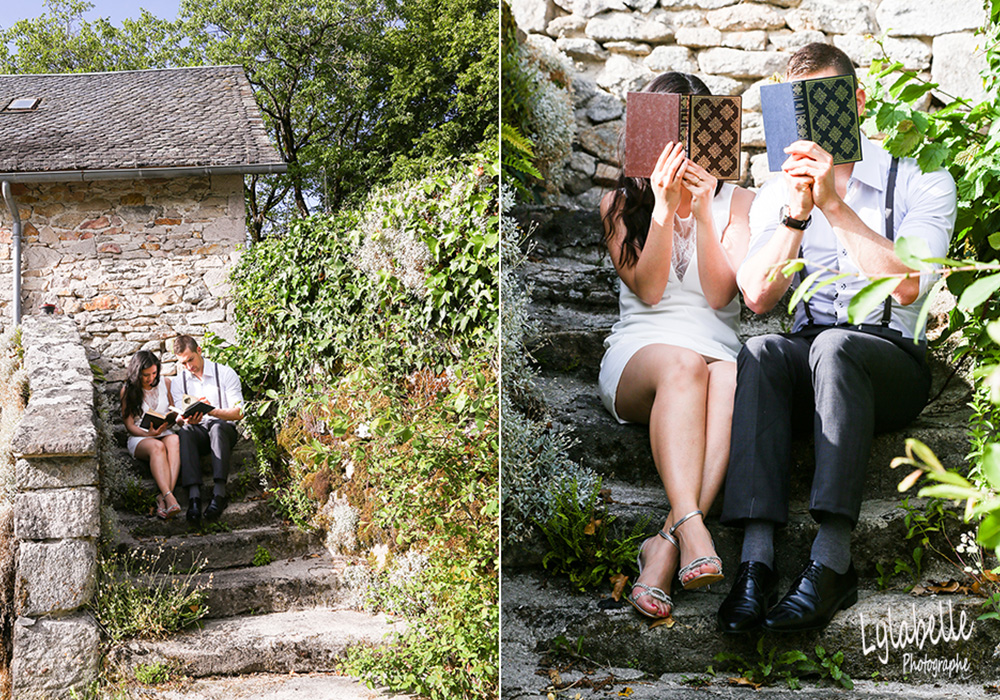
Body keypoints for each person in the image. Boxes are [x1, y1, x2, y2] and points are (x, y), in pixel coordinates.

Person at [717, 43, 957, 634]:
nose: (810, 123)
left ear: (855, 101)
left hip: (889, 362)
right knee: (762, 348)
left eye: (822, 102)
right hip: (810, 352)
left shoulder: (923, 175)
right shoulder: (779, 187)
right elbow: (756, 297)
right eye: (796, 109)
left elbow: (904, 288)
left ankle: (831, 562)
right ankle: (754, 563)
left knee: (835, 345)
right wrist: (798, 214)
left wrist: (835, 204)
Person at [598, 72, 755, 619]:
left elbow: (718, 294)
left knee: (733, 375)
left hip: (716, 353)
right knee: (688, 364)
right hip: (643, 352)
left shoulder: (740, 202)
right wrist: (664, 208)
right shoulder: (620, 202)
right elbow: (649, 288)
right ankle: (693, 529)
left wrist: (706, 210)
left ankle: (664, 547)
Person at [170, 335, 244, 523]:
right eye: (183, 363)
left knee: (217, 426)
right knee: (185, 432)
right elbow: (179, 417)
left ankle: (219, 493)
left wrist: (213, 411)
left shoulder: (225, 373)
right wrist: (186, 420)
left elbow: (239, 412)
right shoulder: (180, 382)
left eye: (190, 360)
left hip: (224, 431)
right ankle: (194, 498)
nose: (188, 367)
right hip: (198, 432)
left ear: (199, 351)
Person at [121, 350, 181, 520]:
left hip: (163, 431)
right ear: (137, 373)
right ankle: (170, 496)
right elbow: (129, 425)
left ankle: (163, 497)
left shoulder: (165, 383)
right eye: (146, 375)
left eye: (154, 373)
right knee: (157, 446)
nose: (151, 378)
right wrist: (148, 433)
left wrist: (171, 419)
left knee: (175, 439)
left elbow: (171, 409)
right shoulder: (128, 390)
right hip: (140, 436)